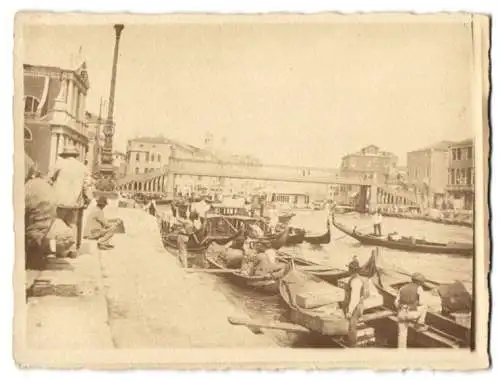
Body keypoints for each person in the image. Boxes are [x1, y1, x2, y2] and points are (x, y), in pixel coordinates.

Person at [25, 168, 76, 267]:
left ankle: (38, 256)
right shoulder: (47, 185)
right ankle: (51, 253)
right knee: (42, 233)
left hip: (51, 208)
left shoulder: (30, 185)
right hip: (63, 206)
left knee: (34, 233)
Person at [48, 146, 91, 254]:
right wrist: (87, 199)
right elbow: (86, 186)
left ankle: (53, 249)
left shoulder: (58, 164)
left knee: (55, 224)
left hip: (59, 201)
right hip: (75, 202)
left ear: (65, 155)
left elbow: (49, 179)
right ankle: (72, 250)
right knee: (73, 225)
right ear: (75, 155)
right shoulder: (82, 167)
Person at [343, 257, 370, 347]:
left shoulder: (355, 281)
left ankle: (352, 346)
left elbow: (355, 298)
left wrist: (350, 311)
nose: (348, 270)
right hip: (358, 306)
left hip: (355, 307)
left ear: (351, 270)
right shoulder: (358, 279)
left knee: (352, 327)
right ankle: (350, 342)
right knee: (351, 326)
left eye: (349, 268)